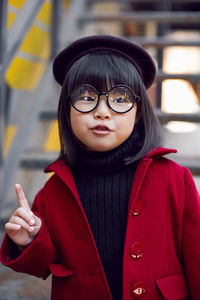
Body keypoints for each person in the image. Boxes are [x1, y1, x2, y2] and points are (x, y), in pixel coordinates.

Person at [0, 35, 200, 300]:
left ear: (139, 111)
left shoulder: (174, 179)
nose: (102, 112)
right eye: (86, 96)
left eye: (120, 98)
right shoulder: (52, 193)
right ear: (66, 110)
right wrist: (28, 241)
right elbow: (43, 264)